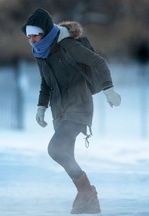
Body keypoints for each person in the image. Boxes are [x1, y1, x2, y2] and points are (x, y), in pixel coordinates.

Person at [21, 8, 121, 214]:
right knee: (66, 154)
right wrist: (41, 107)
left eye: (35, 35)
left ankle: (87, 192)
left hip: (79, 106)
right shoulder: (41, 53)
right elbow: (45, 83)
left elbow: (98, 62)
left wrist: (108, 89)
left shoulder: (67, 45)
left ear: (46, 31)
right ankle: (88, 200)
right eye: (29, 37)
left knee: (55, 149)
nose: (32, 40)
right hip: (59, 110)